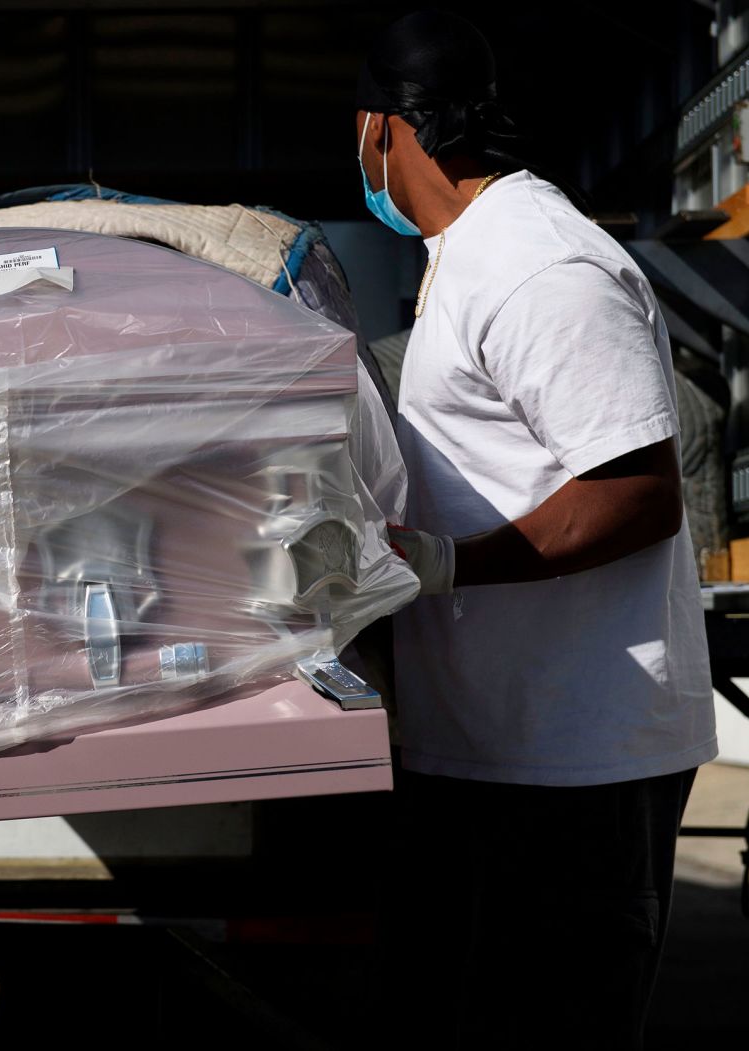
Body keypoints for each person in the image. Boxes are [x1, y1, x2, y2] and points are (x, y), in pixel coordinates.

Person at [356, 12, 717, 1050]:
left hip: (574, 769)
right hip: (491, 747)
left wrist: (444, 564)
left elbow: (635, 494)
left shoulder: (539, 266)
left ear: (387, 128)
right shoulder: (464, 257)